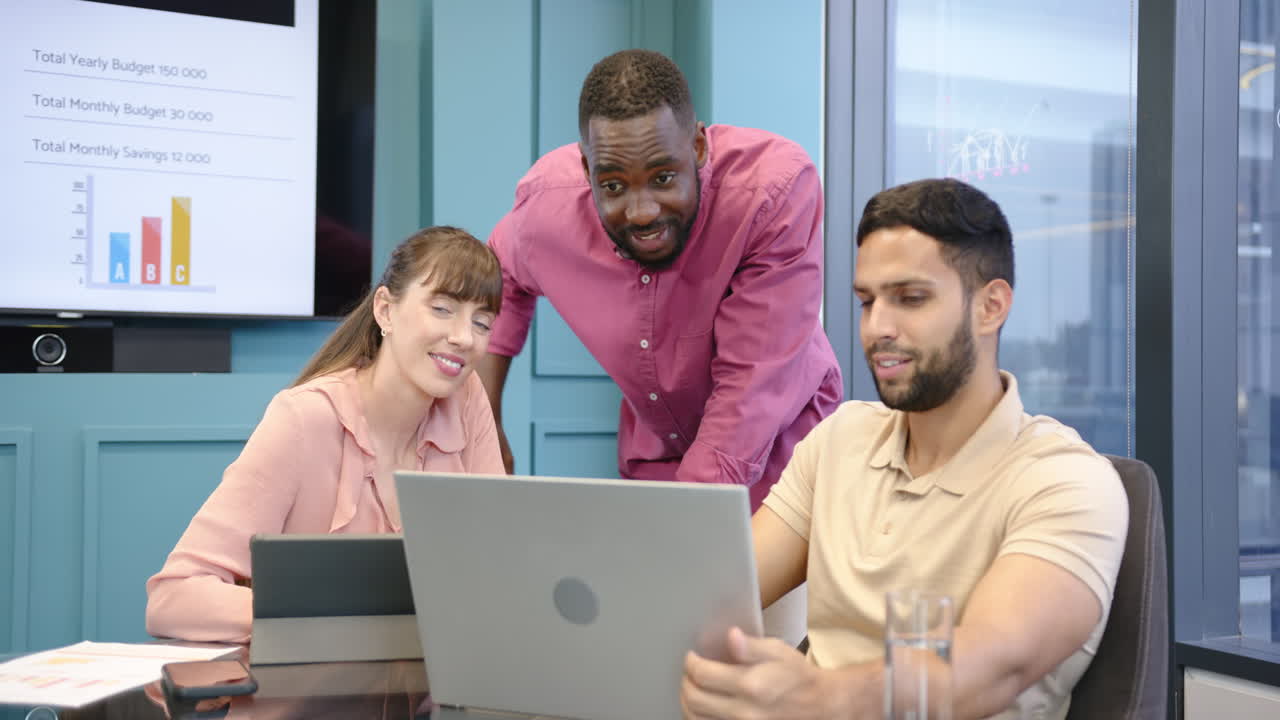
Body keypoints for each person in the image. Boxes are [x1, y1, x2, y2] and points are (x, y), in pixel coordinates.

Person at [680, 179, 1130, 720]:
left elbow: (990, 669)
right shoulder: (839, 439)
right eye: (867, 302)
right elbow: (714, 595)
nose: (877, 328)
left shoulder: (1067, 482)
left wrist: (815, 697)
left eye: (910, 299)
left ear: (990, 307)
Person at [476, 48, 843, 513]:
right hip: (655, 454)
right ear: (587, 170)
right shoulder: (547, 209)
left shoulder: (770, 195)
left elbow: (750, 388)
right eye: (613, 186)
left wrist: (679, 525)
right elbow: (497, 280)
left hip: (784, 451)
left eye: (664, 177)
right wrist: (485, 427)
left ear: (699, 148)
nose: (642, 211)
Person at [145, 226, 506, 643]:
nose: (464, 338)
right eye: (442, 309)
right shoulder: (304, 417)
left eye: (482, 323)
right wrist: (326, 616)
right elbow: (173, 598)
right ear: (385, 310)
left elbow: (495, 564)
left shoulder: (466, 398)